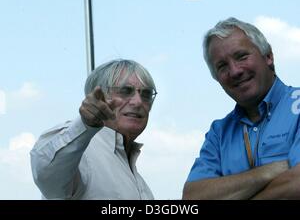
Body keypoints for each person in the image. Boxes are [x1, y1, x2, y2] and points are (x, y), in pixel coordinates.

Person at [183, 17, 300, 200]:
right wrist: (270, 171)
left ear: (268, 56)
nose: (235, 71)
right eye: (222, 66)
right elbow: (192, 198)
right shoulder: (219, 133)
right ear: (217, 78)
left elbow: (296, 185)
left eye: (241, 56)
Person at [30, 59, 157, 200]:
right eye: (125, 91)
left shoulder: (140, 184)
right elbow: (45, 169)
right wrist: (85, 124)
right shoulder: (81, 156)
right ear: (98, 97)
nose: (138, 102)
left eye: (146, 94)